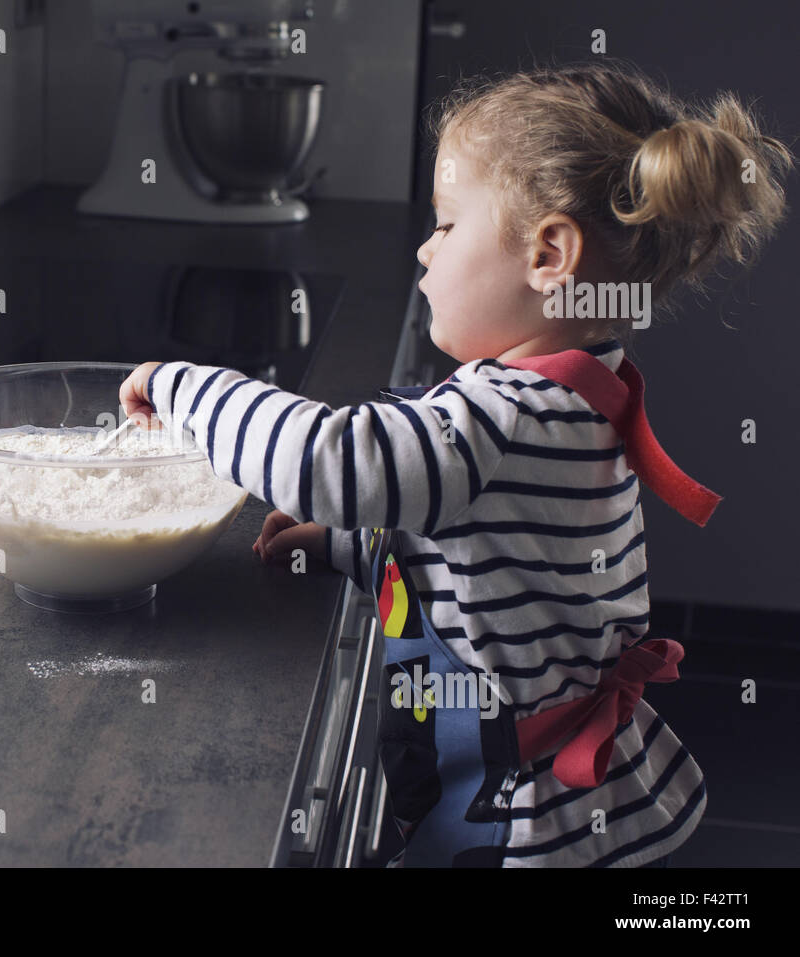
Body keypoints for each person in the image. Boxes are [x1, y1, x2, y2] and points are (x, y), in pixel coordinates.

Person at [117, 59, 792, 867]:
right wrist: (343, 545)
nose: (423, 248)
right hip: (528, 789)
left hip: (519, 826)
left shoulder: (503, 418)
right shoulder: (576, 388)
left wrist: (182, 386)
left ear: (549, 254)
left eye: (445, 223)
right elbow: (490, 551)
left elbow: (333, 460)